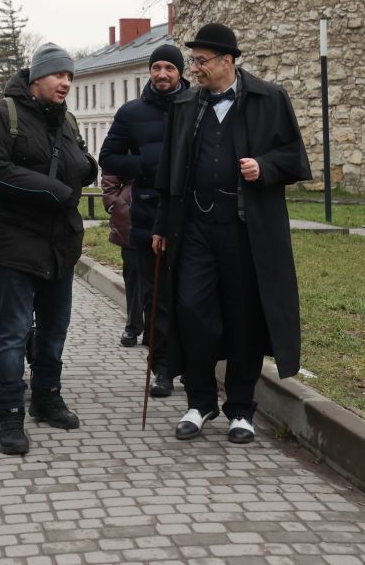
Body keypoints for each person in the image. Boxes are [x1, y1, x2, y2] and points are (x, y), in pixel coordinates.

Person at [151, 23, 311, 444]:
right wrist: (162, 226)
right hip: (195, 229)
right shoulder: (186, 104)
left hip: (245, 231)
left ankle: (240, 408)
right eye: (194, 61)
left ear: (227, 61)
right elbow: (168, 172)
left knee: (244, 319)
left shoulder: (268, 99)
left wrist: (265, 167)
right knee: (191, 310)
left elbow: (294, 157)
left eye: (201, 61)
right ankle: (200, 401)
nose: (195, 69)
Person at [0, 42, 98, 456]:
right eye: (59, 75)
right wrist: (51, 189)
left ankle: (46, 398)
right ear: (37, 77)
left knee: (54, 329)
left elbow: (77, 164)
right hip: (14, 244)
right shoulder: (2, 114)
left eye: (70, 76)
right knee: (12, 334)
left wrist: (87, 167)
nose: (66, 83)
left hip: (60, 244)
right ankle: (9, 416)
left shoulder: (67, 120)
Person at [99, 44, 190, 398]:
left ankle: (192, 367)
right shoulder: (131, 112)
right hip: (147, 215)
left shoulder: (196, 106)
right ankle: (162, 368)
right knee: (156, 297)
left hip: (190, 215)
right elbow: (108, 157)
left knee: (191, 296)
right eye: (157, 68)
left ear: (180, 72)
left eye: (169, 68)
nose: (162, 74)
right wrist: (146, 166)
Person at [101, 172, 144, 349]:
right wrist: (114, 202)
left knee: (161, 274)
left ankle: (155, 329)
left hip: (160, 204)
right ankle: (133, 325)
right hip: (130, 209)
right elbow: (111, 169)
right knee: (133, 274)